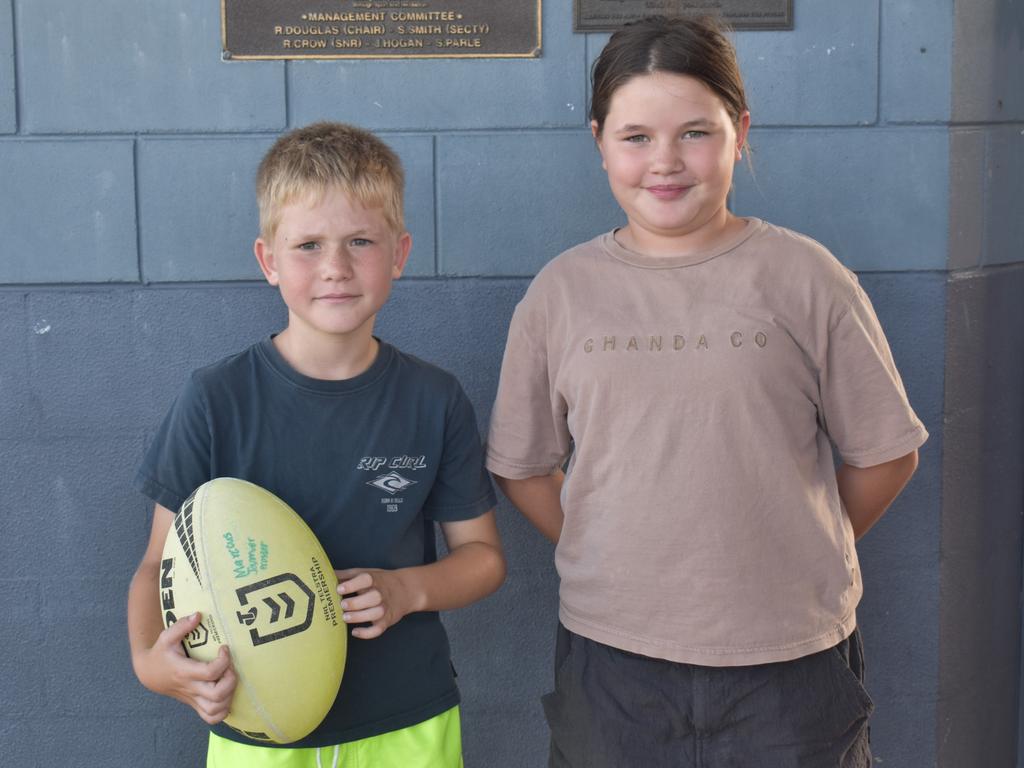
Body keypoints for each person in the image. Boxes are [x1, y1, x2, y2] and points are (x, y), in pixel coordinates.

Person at [486, 15, 927, 768]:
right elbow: (521, 467)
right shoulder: (562, 293)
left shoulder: (808, 278)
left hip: (788, 669)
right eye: (635, 137)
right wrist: (609, 545)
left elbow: (886, 455)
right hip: (613, 665)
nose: (665, 162)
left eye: (696, 132)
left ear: (740, 132)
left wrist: (791, 544)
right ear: (599, 141)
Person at [127, 121, 506, 768]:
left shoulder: (433, 399)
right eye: (307, 245)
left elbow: (483, 558)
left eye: (361, 241)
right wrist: (151, 664)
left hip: (407, 723)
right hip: (260, 727)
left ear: (399, 253)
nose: (335, 267)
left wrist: (407, 590)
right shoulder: (216, 401)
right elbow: (157, 560)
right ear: (268, 260)